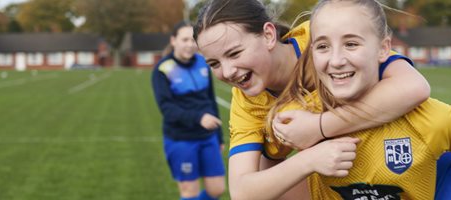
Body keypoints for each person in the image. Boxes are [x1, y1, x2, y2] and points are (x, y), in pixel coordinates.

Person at [269, 0, 451, 199]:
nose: (336, 60)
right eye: (322, 46)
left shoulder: (432, 120)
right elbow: (257, 186)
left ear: (384, 49)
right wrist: (305, 161)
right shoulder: (297, 119)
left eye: (351, 44)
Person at [194, 0, 430, 199]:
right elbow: (242, 191)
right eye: (214, 63)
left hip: (417, 157)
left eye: (234, 53)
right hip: (359, 180)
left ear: (268, 35)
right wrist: (309, 160)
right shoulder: (246, 105)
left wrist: (318, 127)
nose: (227, 71)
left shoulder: (319, 36)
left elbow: (413, 86)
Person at [152, 21, 225, 200]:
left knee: (217, 190)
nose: (190, 45)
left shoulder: (203, 63)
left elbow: (210, 100)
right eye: (184, 40)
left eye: (193, 40)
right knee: (189, 193)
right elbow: (167, 109)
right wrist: (199, 117)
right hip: (181, 140)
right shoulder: (163, 69)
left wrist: (219, 136)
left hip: (208, 137)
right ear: (173, 41)